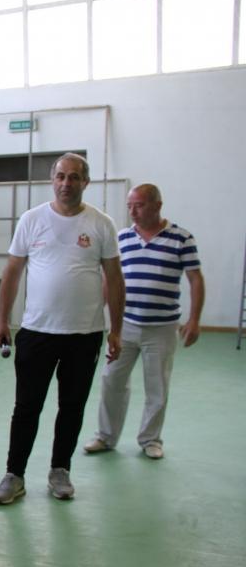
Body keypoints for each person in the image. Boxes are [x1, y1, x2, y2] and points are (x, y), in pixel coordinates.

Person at [0, 153, 125, 505]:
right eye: (61, 176)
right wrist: (2, 319)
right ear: (52, 180)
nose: (66, 183)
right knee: (26, 407)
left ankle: (60, 470)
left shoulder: (101, 224)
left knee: (72, 406)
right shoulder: (32, 219)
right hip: (37, 332)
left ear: (86, 182)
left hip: (85, 335)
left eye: (74, 177)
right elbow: (12, 271)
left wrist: (115, 330)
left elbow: (114, 278)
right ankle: (14, 474)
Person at [84, 184, 205, 459]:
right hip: (124, 326)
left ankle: (151, 439)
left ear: (157, 205)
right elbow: (111, 279)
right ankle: (105, 436)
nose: (133, 211)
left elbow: (195, 279)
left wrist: (195, 319)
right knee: (111, 380)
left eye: (138, 205)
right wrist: (97, 312)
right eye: (129, 206)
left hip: (162, 328)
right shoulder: (122, 238)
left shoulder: (182, 238)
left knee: (157, 386)